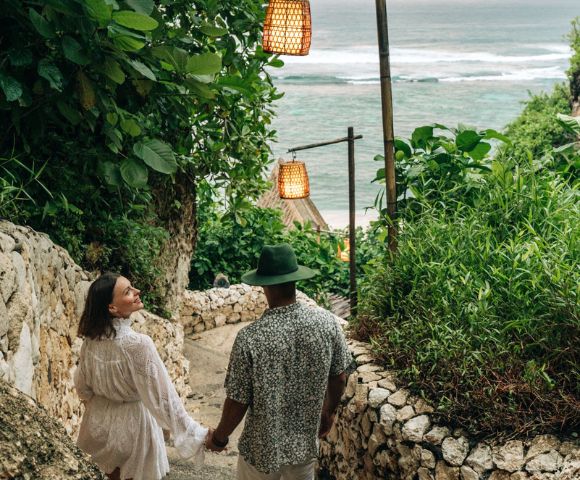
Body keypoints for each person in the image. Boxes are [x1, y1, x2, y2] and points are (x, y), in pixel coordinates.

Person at [206, 243, 352, 480]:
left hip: (260, 452)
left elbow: (237, 400)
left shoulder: (250, 337)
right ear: (295, 280)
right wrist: (328, 411)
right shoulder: (327, 323)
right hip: (303, 447)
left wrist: (219, 437)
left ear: (264, 285)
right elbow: (338, 377)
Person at [74, 272, 209, 480]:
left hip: (96, 424)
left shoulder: (90, 341)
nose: (137, 292)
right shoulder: (137, 344)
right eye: (128, 291)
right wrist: (196, 434)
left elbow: (82, 388)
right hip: (132, 428)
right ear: (112, 308)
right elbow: (163, 398)